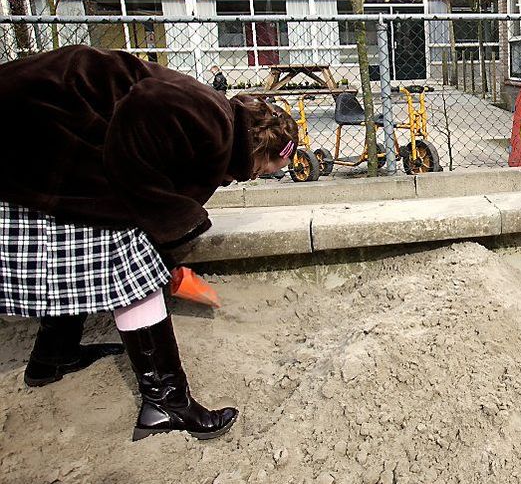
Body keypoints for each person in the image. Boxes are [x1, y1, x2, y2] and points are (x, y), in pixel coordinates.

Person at [0, 44, 298, 441]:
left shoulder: (220, 127)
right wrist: (165, 216)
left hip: (39, 139)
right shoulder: (212, 120)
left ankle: (53, 357)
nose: (265, 175)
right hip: (40, 135)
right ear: (264, 150)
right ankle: (167, 403)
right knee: (132, 272)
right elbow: (145, 104)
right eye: (274, 166)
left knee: (84, 256)